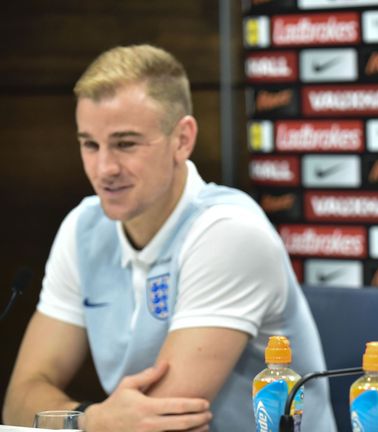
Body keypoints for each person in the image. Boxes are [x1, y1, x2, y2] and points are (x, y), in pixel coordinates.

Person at [2, 44, 335, 432]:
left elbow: (162, 423)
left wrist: (85, 421)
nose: (104, 168)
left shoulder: (228, 232)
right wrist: (90, 419)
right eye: (90, 144)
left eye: (126, 143)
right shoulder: (83, 227)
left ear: (182, 139)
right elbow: (18, 402)